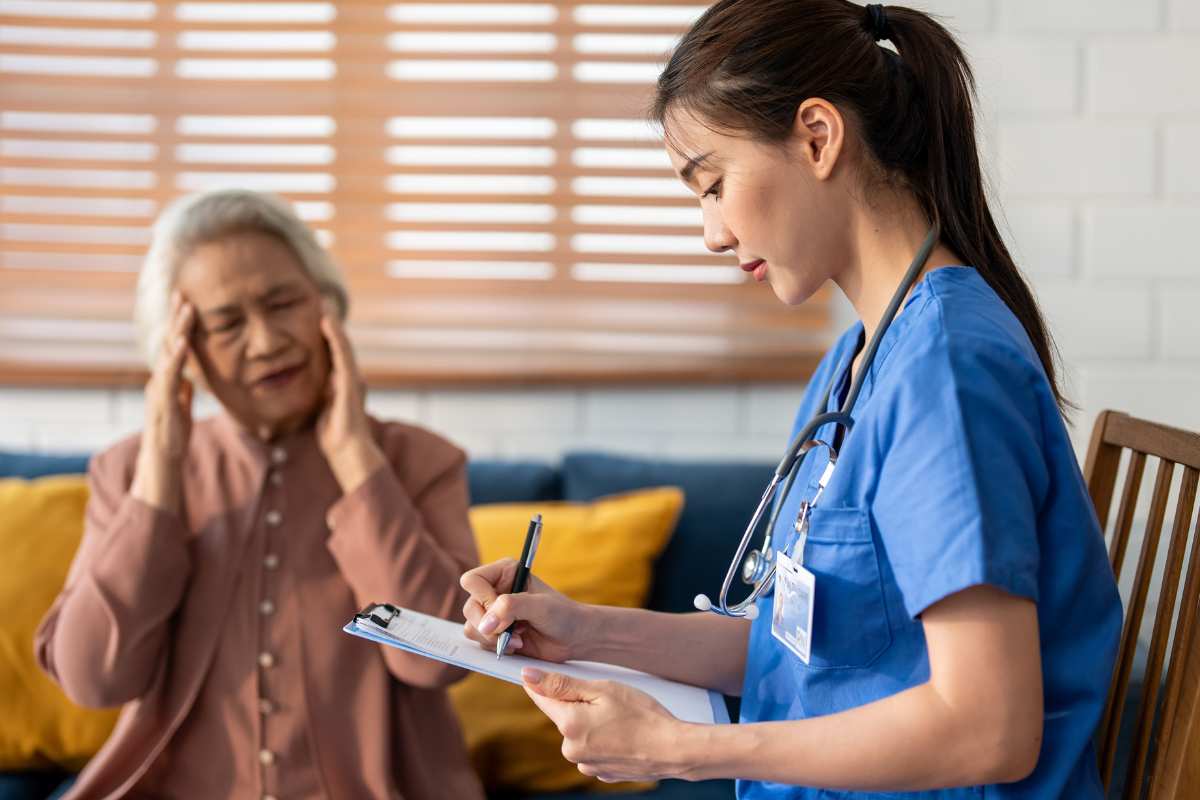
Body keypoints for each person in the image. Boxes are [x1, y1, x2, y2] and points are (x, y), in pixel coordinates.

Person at [459, 2, 1122, 797]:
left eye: (712, 184)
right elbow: (789, 647)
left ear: (817, 137)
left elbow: (987, 729)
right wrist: (583, 629)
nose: (709, 232)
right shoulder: (859, 361)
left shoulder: (946, 369)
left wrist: (679, 750)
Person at [36, 189, 484, 800]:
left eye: (283, 303)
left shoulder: (420, 462)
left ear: (328, 306)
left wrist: (355, 458)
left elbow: (436, 660)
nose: (267, 341)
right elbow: (94, 680)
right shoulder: (128, 472)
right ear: (181, 347)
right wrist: (161, 472)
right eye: (226, 323)